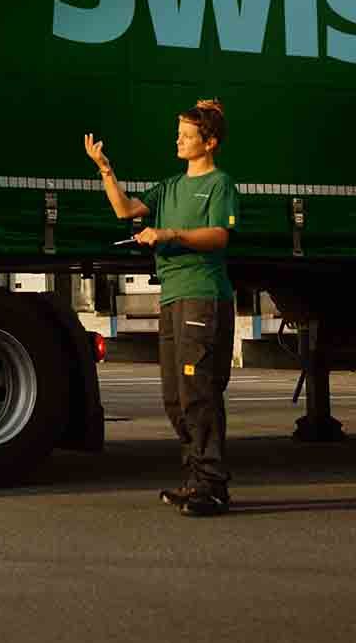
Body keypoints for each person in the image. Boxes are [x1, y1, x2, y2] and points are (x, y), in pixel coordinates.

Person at [82, 99, 239, 517]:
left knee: (199, 392)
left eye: (187, 136)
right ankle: (195, 479)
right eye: (179, 134)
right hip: (172, 296)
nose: (179, 141)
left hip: (203, 293)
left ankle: (213, 484)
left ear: (209, 142)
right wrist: (105, 168)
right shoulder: (169, 186)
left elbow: (219, 237)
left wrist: (170, 232)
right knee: (175, 396)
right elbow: (124, 209)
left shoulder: (220, 184)